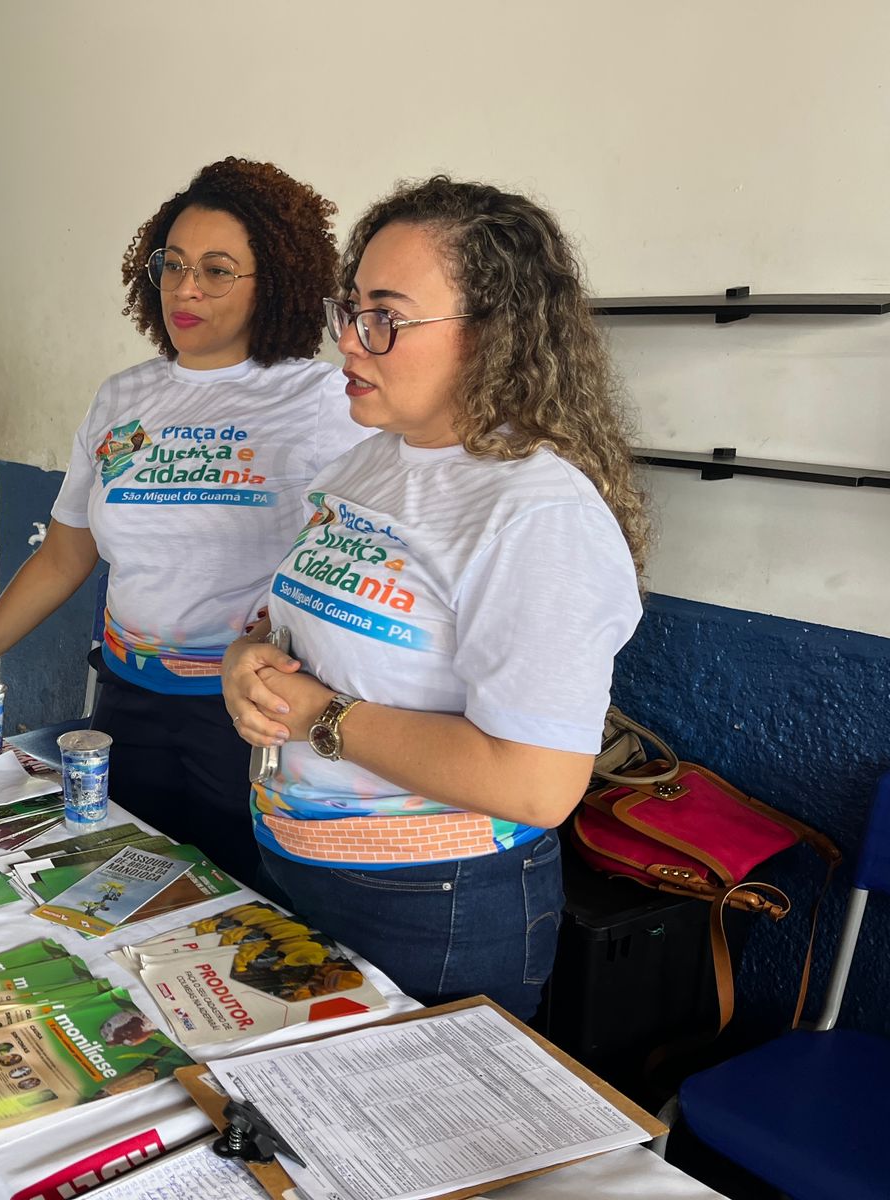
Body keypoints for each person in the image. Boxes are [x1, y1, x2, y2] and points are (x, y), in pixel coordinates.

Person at [222, 176, 649, 1021]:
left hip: (433, 903)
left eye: (385, 316)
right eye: (348, 309)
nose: (349, 342)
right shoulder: (370, 462)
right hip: (299, 861)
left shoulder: (536, 513)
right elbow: (293, 619)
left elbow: (536, 784)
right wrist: (249, 658)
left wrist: (319, 716)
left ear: (493, 336)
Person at [0, 158, 371, 886]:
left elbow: (356, 560)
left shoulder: (320, 400)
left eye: (217, 270)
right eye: (172, 264)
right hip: (128, 704)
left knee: (240, 906)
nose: (185, 288)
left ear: (271, 282)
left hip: (246, 721)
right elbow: (63, 556)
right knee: (129, 887)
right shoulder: (123, 400)